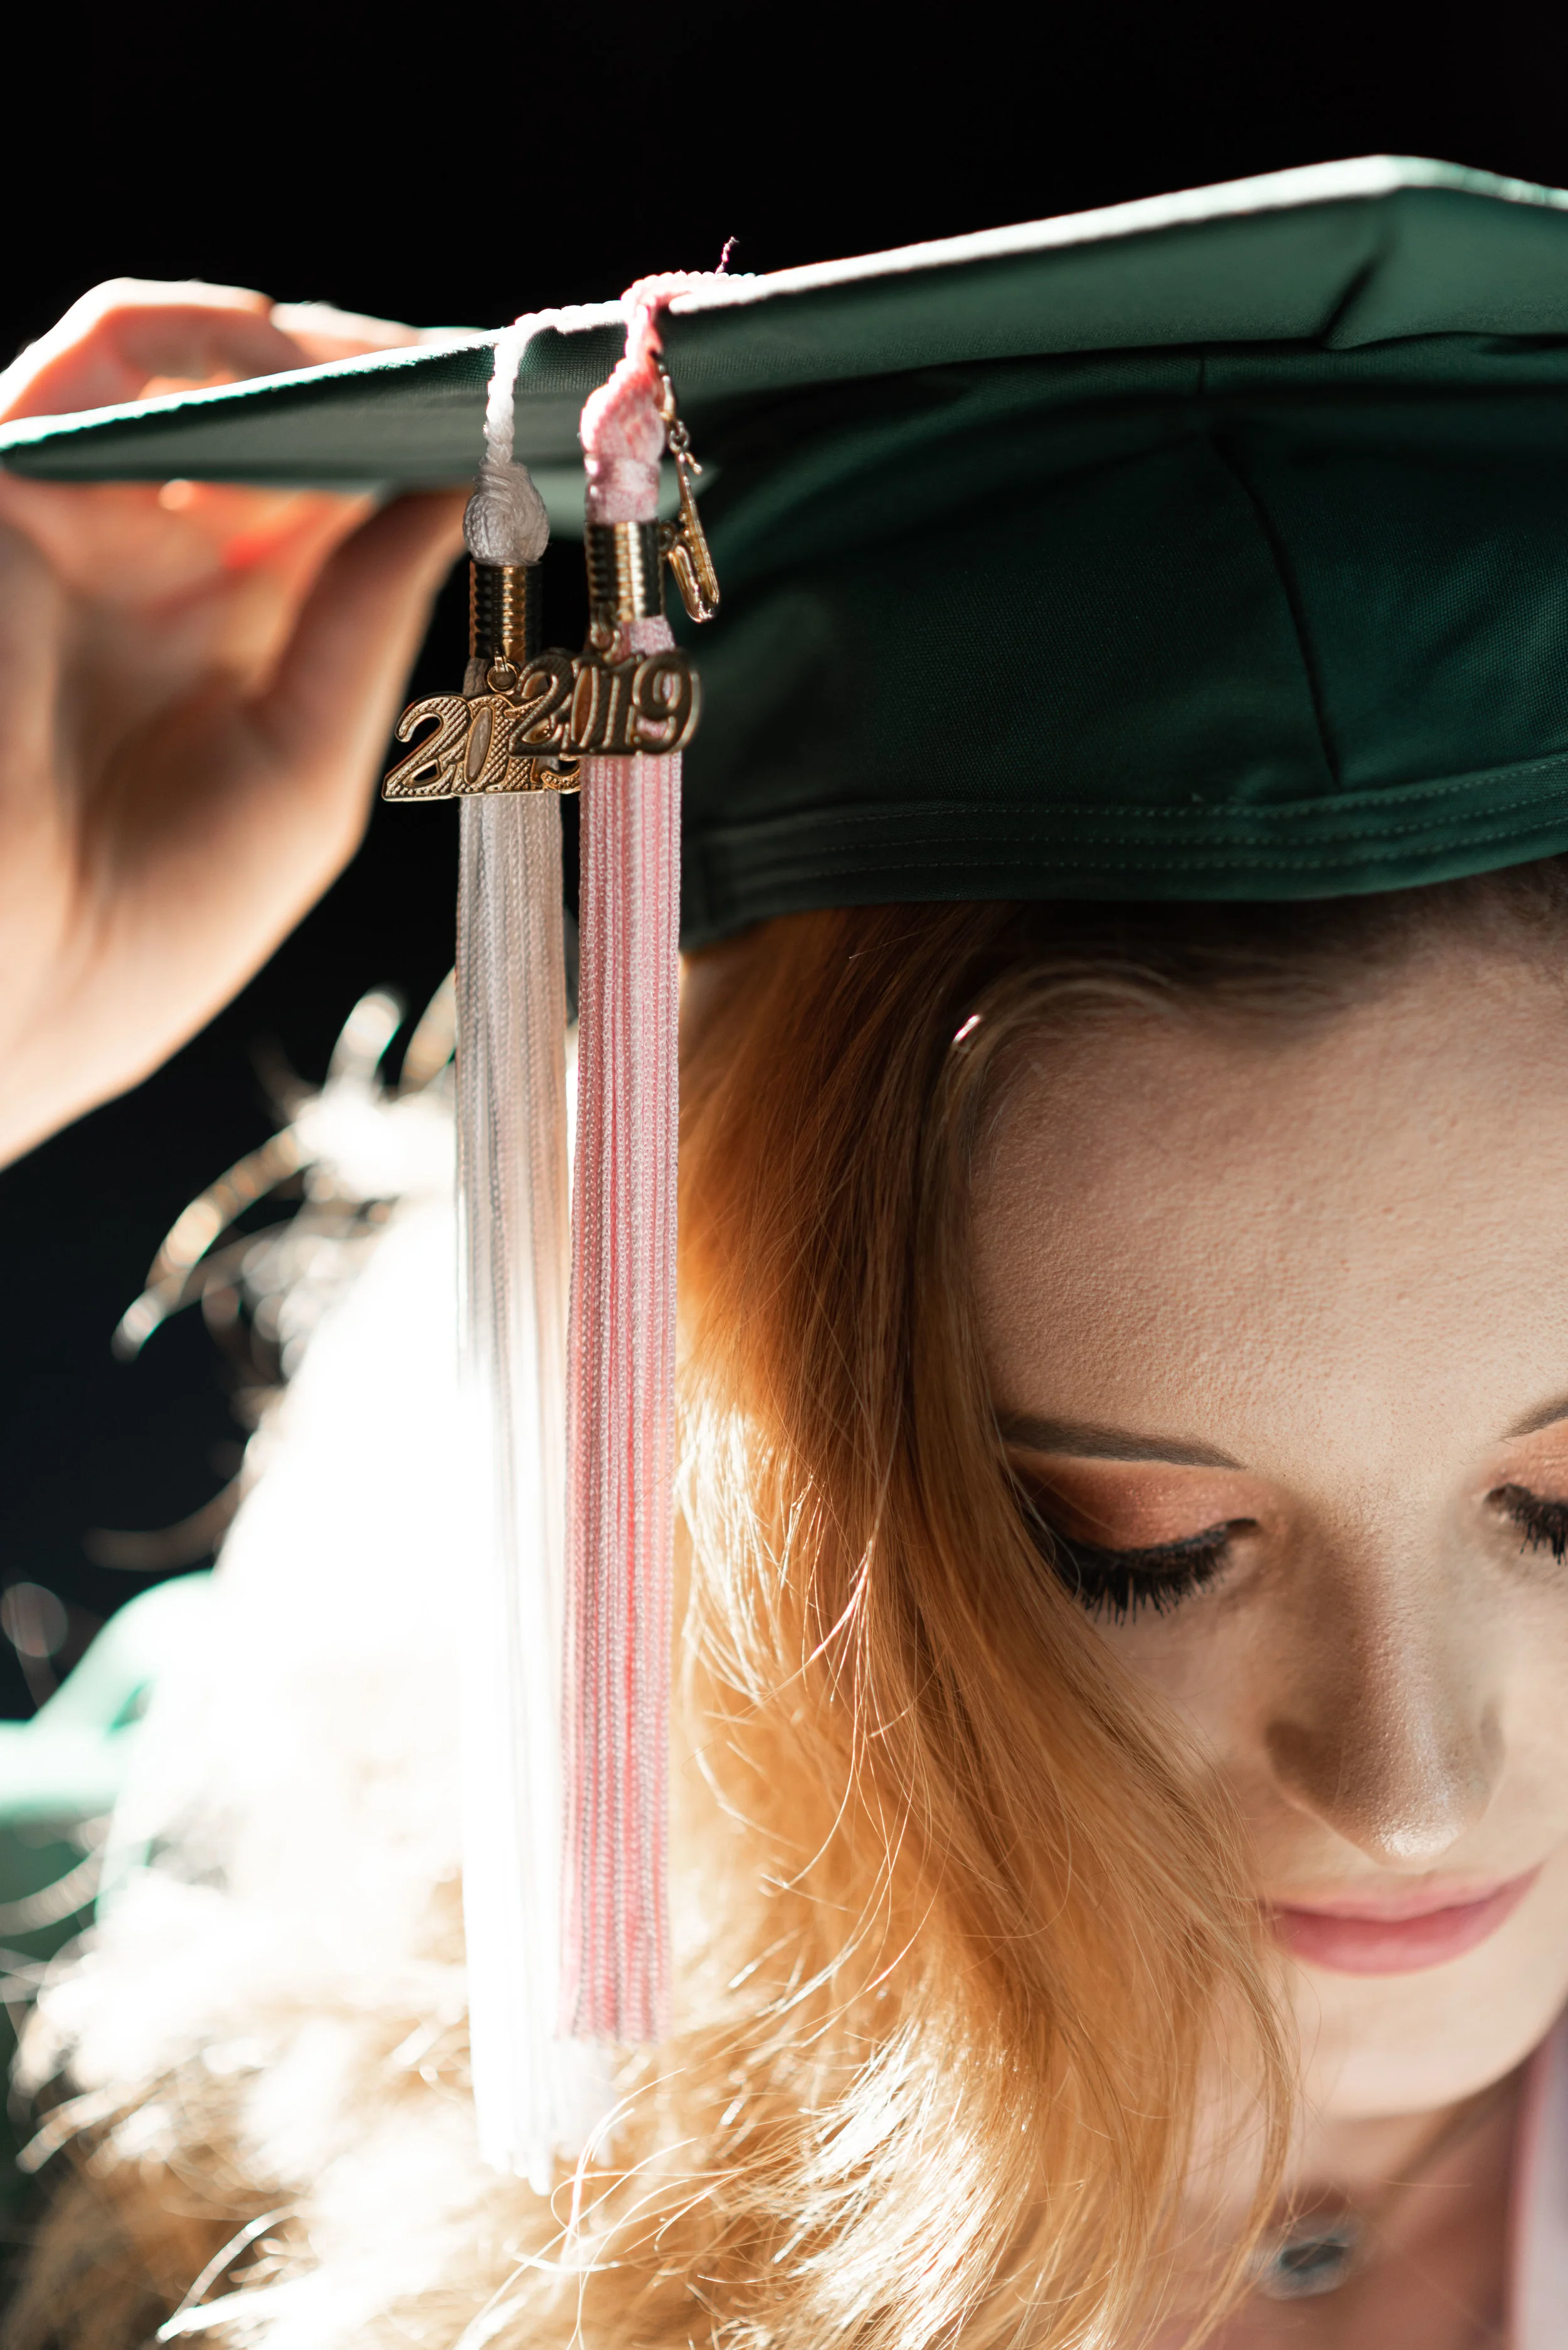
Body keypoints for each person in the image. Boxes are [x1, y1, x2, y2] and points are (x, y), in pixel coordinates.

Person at [4, 159, 1568, 2349]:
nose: (1407, 1794)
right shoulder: (166, 1966)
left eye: (1564, 1505)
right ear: (722, 1454)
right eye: (1131, 1544)